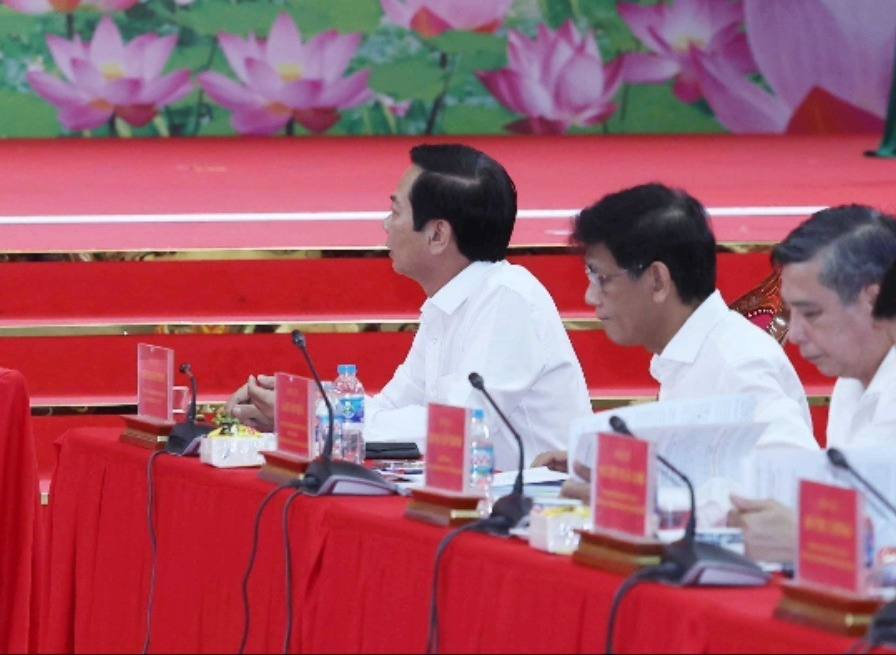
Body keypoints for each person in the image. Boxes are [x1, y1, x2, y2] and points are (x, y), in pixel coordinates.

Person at [226, 143, 590, 468]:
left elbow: (457, 430)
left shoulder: (508, 298)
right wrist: (306, 405)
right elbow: (392, 407)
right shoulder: (446, 302)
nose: (386, 224)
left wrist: (316, 416)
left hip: (538, 508)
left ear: (437, 234)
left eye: (396, 211)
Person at [568, 183, 815, 451]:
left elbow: (794, 470)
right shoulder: (690, 356)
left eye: (601, 278)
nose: (590, 297)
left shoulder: (738, 368)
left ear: (657, 280)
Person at [728, 206, 896, 560]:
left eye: (812, 314)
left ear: (874, 300)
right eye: (792, 313)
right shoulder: (851, 380)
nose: (795, 334)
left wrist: (810, 538)